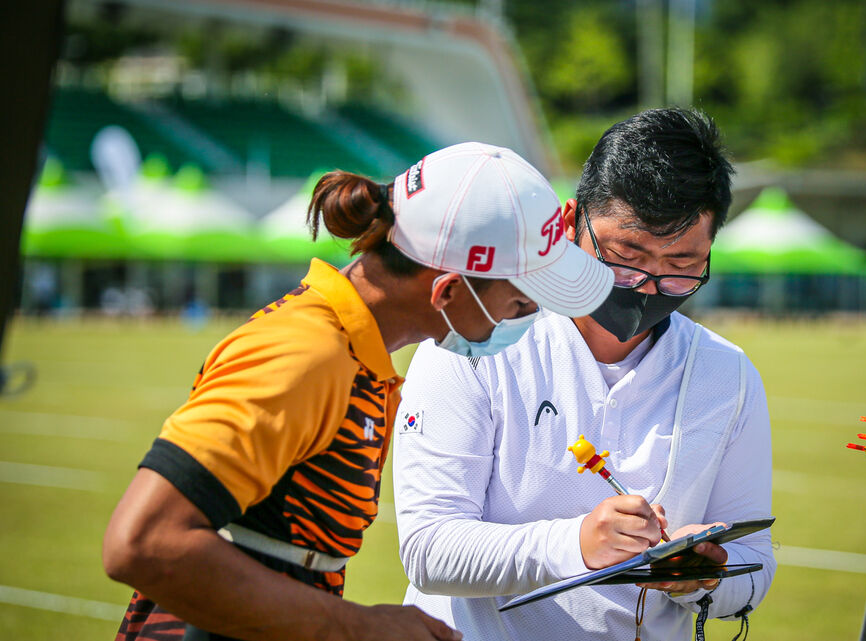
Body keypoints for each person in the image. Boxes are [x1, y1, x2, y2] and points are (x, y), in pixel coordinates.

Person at [102, 142, 614, 641]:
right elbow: (143, 542)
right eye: (522, 303)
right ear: (449, 290)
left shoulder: (355, 353)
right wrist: (363, 628)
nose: (528, 319)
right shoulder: (305, 355)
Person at [392, 109, 776, 641]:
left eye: (683, 266)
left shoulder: (726, 374)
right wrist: (575, 544)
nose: (647, 286)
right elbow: (429, 550)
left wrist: (703, 578)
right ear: (571, 224)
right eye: (626, 255)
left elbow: (754, 562)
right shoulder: (480, 337)